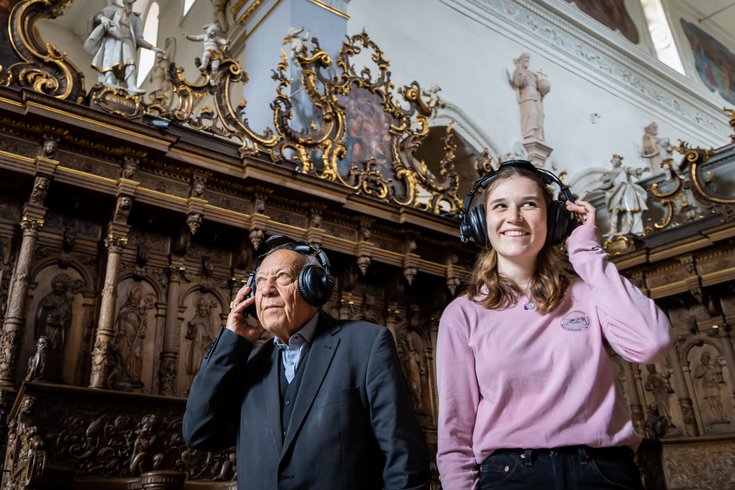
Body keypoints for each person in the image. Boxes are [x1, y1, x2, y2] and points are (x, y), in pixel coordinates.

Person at [437, 160, 672, 489]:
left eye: (529, 204)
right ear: (480, 222)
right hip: (512, 476)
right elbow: (455, 431)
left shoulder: (589, 294)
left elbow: (652, 343)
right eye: (500, 206)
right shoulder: (463, 314)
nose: (514, 217)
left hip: (604, 472)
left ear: (555, 220)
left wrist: (586, 250)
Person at [183, 236, 430, 489]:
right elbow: (198, 433)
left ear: (312, 287)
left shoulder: (366, 345)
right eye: (259, 282)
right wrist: (231, 343)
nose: (267, 289)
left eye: (281, 277)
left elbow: (405, 461)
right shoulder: (249, 365)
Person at [83, 0, 166, 94]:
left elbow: (139, 38)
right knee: (109, 61)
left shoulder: (136, 17)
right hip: (112, 38)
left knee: (130, 62)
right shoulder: (114, 8)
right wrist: (102, 18)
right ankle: (109, 83)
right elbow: (97, 16)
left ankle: (132, 86)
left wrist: (153, 48)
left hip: (127, 40)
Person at [508, 53, 550, 142]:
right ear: (521, 61)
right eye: (525, 60)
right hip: (527, 95)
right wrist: (520, 71)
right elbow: (518, 83)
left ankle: (537, 136)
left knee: (540, 116)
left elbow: (540, 87)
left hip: (536, 97)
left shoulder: (533, 74)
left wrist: (545, 86)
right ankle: (529, 133)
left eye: (528, 60)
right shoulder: (519, 71)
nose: (527, 62)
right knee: (532, 114)